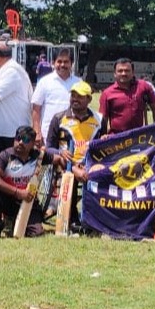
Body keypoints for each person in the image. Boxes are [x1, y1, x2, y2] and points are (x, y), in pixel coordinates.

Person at [0, 126, 63, 238]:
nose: (20, 142)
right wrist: (18, 192)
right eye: (18, 138)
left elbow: (58, 159)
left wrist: (70, 166)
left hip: (29, 202)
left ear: (33, 143)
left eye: (25, 140)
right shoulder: (6, 155)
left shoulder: (39, 156)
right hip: (8, 199)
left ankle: (15, 222)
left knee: (36, 233)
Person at [45, 81, 102, 231]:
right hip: (65, 165)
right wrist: (59, 152)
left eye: (80, 96)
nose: (75, 99)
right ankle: (73, 219)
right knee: (70, 177)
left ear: (89, 99)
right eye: (73, 95)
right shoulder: (59, 118)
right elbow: (48, 148)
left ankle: (96, 220)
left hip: (90, 164)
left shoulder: (98, 120)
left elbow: (103, 147)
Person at [98, 58, 155, 136]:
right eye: (120, 71)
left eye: (127, 70)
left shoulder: (144, 87)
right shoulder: (107, 93)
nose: (124, 73)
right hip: (117, 139)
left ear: (133, 72)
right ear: (114, 73)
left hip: (139, 137)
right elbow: (103, 119)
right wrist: (103, 137)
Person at [31, 49, 81, 146]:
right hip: (48, 135)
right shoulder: (44, 82)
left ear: (72, 64)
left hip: (72, 135)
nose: (62, 65)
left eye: (66, 62)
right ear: (53, 63)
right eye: (59, 61)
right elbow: (36, 109)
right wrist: (37, 132)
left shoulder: (78, 82)